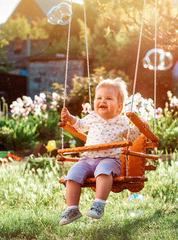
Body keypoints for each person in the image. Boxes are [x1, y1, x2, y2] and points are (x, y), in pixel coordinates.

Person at [59, 78, 148, 226]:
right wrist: (70, 118)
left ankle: (99, 205)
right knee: (72, 174)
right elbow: (80, 125)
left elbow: (131, 137)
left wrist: (140, 127)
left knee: (103, 171)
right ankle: (73, 208)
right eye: (99, 98)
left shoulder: (122, 121)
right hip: (87, 160)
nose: (102, 101)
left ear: (119, 107)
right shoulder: (93, 117)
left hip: (110, 160)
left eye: (108, 98)